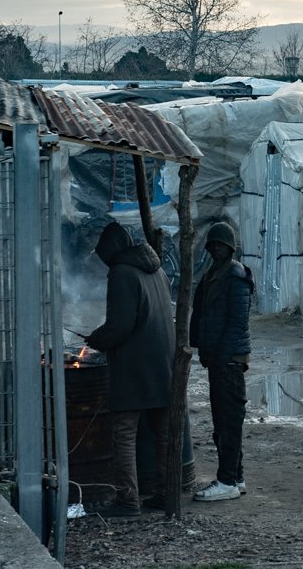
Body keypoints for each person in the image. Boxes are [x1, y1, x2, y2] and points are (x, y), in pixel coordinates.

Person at [85, 221, 175, 516]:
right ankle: (167, 494)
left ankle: (128, 501)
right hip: (163, 363)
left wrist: (96, 339)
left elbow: (120, 326)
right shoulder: (157, 270)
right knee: (164, 433)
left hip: (135, 366)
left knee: (123, 432)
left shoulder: (122, 272)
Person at [189, 221, 253, 502]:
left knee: (228, 422)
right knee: (224, 422)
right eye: (213, 244)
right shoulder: (213, 274)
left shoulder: (236, 276)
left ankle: (227, 480)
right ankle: (235, 476)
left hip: (229, 361)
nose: (216, 249)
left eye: (221, 245)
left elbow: (238, 322)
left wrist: (223, 357)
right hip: (218, 359)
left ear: (230, 247)